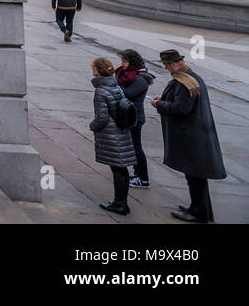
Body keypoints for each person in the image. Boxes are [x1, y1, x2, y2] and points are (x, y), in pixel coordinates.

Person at [152, 48, 226, 223]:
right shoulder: (191, 78)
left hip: (192, 137)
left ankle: (198, 213)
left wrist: (159, 104)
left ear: (173, 64)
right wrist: (165, 99)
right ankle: (200, 209)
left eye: (167, 65)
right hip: (197, 135)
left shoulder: (185, 82)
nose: (167, 69)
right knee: (195, 176)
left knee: (195, 176)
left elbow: (181, 108)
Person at [88, 57, 136, 215]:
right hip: (122, 131)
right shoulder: (116, 86)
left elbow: (101, 118)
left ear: (98, 69)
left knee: (117, 169)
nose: (91, 68)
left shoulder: (101, 90)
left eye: (93, 66)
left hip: (111, 134)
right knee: (122, 169)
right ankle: (122, 202)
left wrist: (92, 126)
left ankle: (120, 203)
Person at [116, 50, 154, 189]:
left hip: (135, 117)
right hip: (130, 115)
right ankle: (138, 174)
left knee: (136, 147)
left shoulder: (139, 79)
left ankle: (143, 179)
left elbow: (126, 94)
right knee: (133, 146)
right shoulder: (130, 75)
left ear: (132, 63)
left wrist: (115, 86)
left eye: (124, 62)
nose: (122, 64)